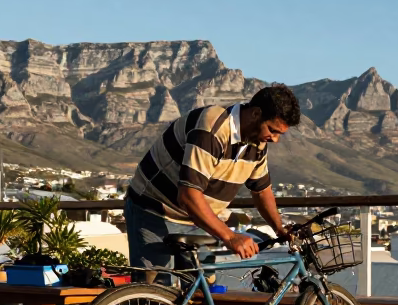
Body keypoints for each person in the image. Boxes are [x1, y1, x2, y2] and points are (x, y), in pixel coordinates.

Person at [125, 84, 300, 275]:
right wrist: (231, 237)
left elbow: (261, 190)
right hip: (154, 210)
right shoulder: (212, 128)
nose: (275, 139)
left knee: (203, 290)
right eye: (272, 130)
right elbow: (189, 195)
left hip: (198, 219)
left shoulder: (256, 141)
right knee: (154, 291)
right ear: (256, 114)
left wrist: (279, 229)